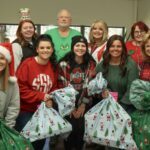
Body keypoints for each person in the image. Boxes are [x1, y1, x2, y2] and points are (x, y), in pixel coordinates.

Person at [15, 34, 58, 150]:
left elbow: (54, 88)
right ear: (37, 49)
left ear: (52, 49)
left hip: (43, 112)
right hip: (26, 111)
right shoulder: (27, 64)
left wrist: (50, 99)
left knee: (40, 143)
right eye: (42, 48)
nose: (45, 50)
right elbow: (20, 88)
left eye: (48, 48)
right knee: (26, 145)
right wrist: (42, 96)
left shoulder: (53, 66)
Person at [58, 35, 96, 150]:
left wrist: (83, 104)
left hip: (85, 105)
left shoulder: (91, 64)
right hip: (68, 105)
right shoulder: (63, 64)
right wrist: (70, 106)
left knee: (81, 133)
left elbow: (92, 87)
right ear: (72, 47)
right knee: (69, 134)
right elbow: (60, 86)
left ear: (86, 47)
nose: (80, 48)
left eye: (83, 45)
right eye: (77, 45)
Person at [96, 35, 139, 113]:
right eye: (112, 46)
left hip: (126, 108)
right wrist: (102, 91)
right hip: (106, 105)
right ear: (108, 48)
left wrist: (118, 108)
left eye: (118, 46)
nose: (115, 49)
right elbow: (97, 84)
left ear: (123, 49)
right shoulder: (103, 65)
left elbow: (132, 89)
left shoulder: (130, 65)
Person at [130, 34, 150, 150]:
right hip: (142, 107)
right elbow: (136, 86)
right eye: (147, 46)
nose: (149, 48)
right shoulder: (142, 64)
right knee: (141, 139)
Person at [0, 43, 19, 128]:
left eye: (2, 58)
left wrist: (7, 128)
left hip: (3, 126)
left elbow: (13, 107)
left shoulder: (12, 83)